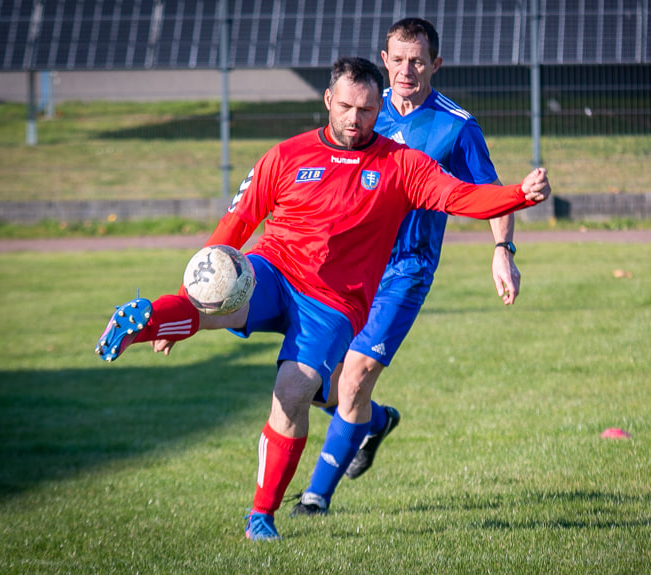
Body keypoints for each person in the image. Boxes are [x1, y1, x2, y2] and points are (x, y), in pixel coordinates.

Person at [95, 56, 551, 542]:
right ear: (328, 101)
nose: (356, 119)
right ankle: (150, 322)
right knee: (219, 292)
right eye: (347, 107)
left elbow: (462, 196)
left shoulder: (402, 165)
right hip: (275, 269)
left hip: (334, 302)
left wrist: (518, 194)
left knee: (294, 392)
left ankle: (261, 516)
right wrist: (194, 294)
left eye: (368, 110)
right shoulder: (286, 155)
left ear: (381, 110)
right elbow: (234, 228)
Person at [292, 18, 522, 517]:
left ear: (435, 64)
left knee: (352, 379)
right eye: (397, 59)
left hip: (405, 269)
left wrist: (503, 251)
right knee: (314, 383)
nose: (406, 70)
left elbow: (493, 195)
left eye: (417, 60)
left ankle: (315, 499)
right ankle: (374, 423)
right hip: (347, 266)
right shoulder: (365, 113)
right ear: (384, 59)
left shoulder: (455, 126)